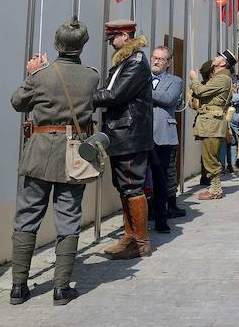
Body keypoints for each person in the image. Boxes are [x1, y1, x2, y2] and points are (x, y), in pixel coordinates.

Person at [9, 18, 100, 306]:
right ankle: (61, 288)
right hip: (73, 154)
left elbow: (17, 103)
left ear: (57, 45)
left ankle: (18, 287)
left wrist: (33, 73)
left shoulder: (41, 76)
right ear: (82, 46)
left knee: (27, 217)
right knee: (68, 218)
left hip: (38, 152)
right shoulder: (92, 77)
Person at [94, 19, 153, 259]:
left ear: (125, 36)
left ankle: (140, 241)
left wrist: (88, 97)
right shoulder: (125, 61)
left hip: (130, 134)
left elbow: (116, 94)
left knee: (132, 186)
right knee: (124, 187)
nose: (111, 43)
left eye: (113, 38)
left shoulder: (136, 63)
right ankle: (129, 236)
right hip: (121, 132)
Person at [189, 50, 235, 199]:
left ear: (223, 62)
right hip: (209, 121)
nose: (215, 58)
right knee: (208, 155)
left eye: (219, 57)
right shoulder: (219, 76)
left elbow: (201, 91)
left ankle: (215, 190)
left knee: (210, 157)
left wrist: (194, 80)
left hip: (212, 122)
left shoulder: (222, 78)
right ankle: (214, 187)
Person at [148, 46, 183, 234]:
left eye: (160, 59)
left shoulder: (175, 81)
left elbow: (168, 98)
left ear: (168, 63)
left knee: (161, 179)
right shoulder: (143, 78)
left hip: (163, 136)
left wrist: (142, 90)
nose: (156, 61)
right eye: (154, 57)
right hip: (142, 135)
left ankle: (162, 218)